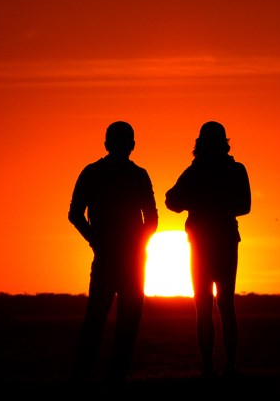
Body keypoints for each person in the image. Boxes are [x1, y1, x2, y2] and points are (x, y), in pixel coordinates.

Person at [68, 121, 159, 382]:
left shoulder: (104, 173)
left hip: (123, 257)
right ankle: (93, 373)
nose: (121, 147)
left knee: (113, 317)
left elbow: (151, 219)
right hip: (115, 257)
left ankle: (98, 374)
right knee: (105, 317)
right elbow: (152, 219)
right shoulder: (129, 174)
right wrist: (96, 240)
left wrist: (97, 240)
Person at [165, 121, 251, 379]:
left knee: (216, 306)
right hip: (213, 241)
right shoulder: (220, 170)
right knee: (216, 306)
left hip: (213, 241)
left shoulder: (199, 171)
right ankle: (217, 367)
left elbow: (244, 205)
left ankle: (217, 368)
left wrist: (199, 202)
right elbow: (172, 200)